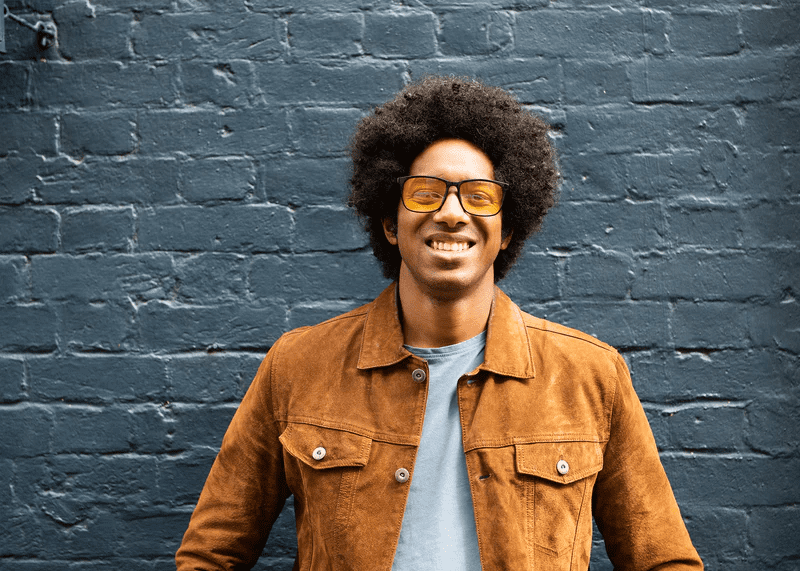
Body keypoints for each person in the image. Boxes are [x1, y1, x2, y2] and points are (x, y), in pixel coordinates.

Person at [176, 76, 703, 570]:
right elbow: (210, 555)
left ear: (507, 228)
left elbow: (665, 560)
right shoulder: (298, 366)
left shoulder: (590, 375)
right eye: (426, 193)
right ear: (389, 222)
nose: (452, 213)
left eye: (478, 196)